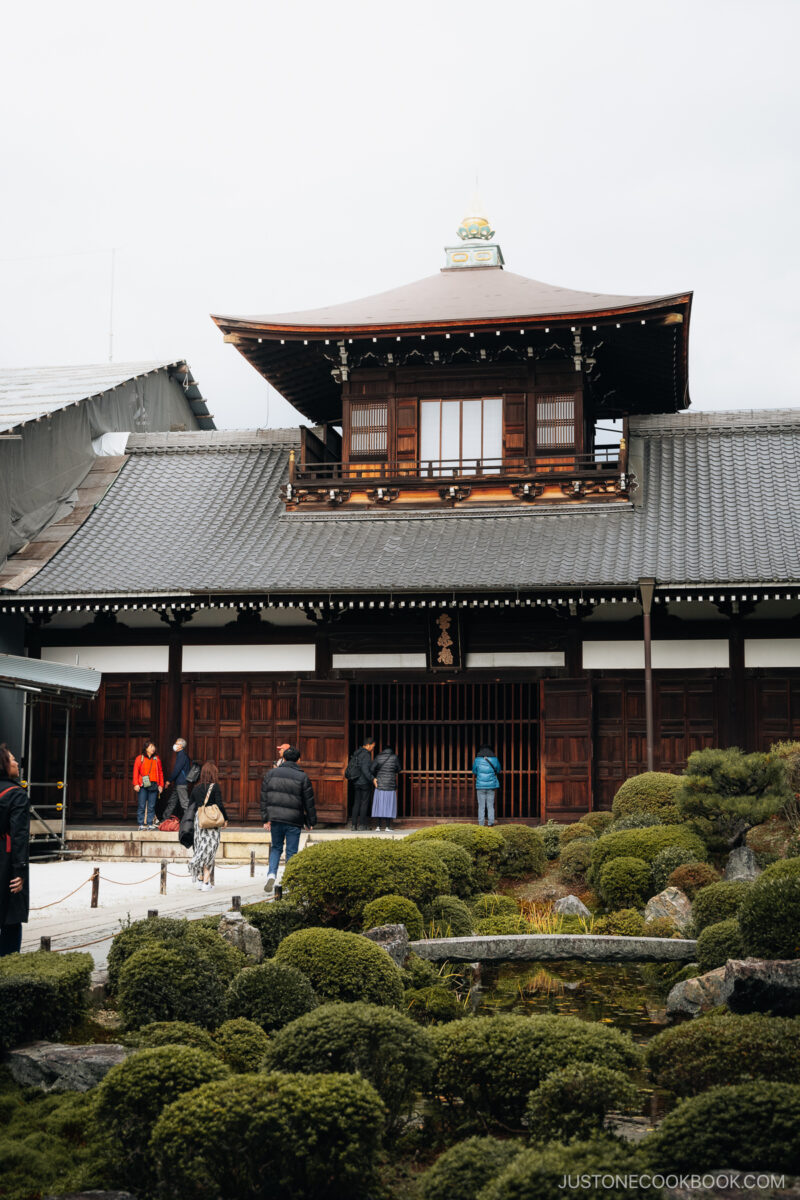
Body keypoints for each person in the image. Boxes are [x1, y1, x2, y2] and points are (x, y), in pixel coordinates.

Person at [260, 746, 316, 893]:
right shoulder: (302, 776)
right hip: (294, 819)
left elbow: (264, 798)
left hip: (276, 818)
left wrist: (266, 818)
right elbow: (308, 801)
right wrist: (310, 821)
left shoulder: (271, 774)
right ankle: (289, 880)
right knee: (291, 851)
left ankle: (271, 874)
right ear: (299, 760)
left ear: (283, 758)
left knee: (276, 847)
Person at [0, 745, 30, 957]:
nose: (17, 762)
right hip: (7, 861)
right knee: (11, 918)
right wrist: (20, 870)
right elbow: (19, 835)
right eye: (12, 759)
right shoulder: (16, 794)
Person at [188, 761, 228, 891]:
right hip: (212, 821)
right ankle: (206, 882)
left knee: (201, 848)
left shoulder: (195, 788)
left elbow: (190, 807)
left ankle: (200, 879)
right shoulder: (214, 787)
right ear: (213, 774)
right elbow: (219, 804)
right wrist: (225, 819)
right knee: (210, 851)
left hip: (199, 821)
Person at [133, 741, 164, 830]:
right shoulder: (140, 758)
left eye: (153, 746)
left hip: (154, 784)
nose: (153, 748)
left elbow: (160, 772)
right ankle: (141, 824)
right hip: (143, 784)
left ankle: (150, 823)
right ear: (146, 748)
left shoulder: (157, 759)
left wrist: (161, 785)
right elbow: (136, 772)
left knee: (151, 805)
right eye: (151, 747)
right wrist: (136, 784)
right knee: (142, 805)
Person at [371, 744, 401, 833]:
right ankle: (388, 826)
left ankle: (378, 826)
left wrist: (377, 774)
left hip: (380, 784)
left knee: (379, 805)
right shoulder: (394, 757)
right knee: (389, 805)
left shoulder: (378, 757)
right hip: (390, 784)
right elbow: (399, 769)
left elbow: (372, 769)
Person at [472, 743, 502, 827]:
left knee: (481, 805)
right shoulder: (494, 759)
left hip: (480, 785)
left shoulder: (477, 760)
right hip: (491, 785)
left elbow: (474, 771)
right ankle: (490, 823)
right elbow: (498, 770)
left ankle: (481, 824)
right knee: (490, 805)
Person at [162, 737, 191, 820]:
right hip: (178, 783)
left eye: (176, 744)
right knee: (172, 802)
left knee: (184, 803)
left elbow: (177, 770)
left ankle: (190, 821)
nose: (174, 745)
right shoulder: (181, 755)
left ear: (181, 746)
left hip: (181, 783)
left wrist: (169, 781)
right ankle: (164, 819)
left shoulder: (182, 755)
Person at [350, 737, 375, 831]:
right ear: (368, 745)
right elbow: (365, 769)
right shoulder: (366, 755)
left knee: (356, 802)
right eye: (372, 746)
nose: (373, 748)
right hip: (364, 782)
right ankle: (362, 825)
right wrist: (372, 778)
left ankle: (353, 825)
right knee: (364, 803)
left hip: (356, 781)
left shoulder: (357, 753)